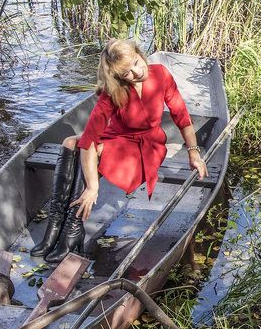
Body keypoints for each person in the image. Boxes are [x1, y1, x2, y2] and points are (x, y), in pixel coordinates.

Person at [32, 39, 209, 262]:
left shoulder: (161, 74)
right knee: (70, 142)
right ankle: (56, 228)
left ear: (139, 53)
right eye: (127, 73)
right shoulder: (113, 91)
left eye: (136, 62)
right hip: (117, 136)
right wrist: (93, 187)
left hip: (146, 144)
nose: (137, 72)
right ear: (117, 76)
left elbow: (181, 116)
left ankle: (71, 231)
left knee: (96, 150)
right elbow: (88, 140)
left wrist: (194, 153)